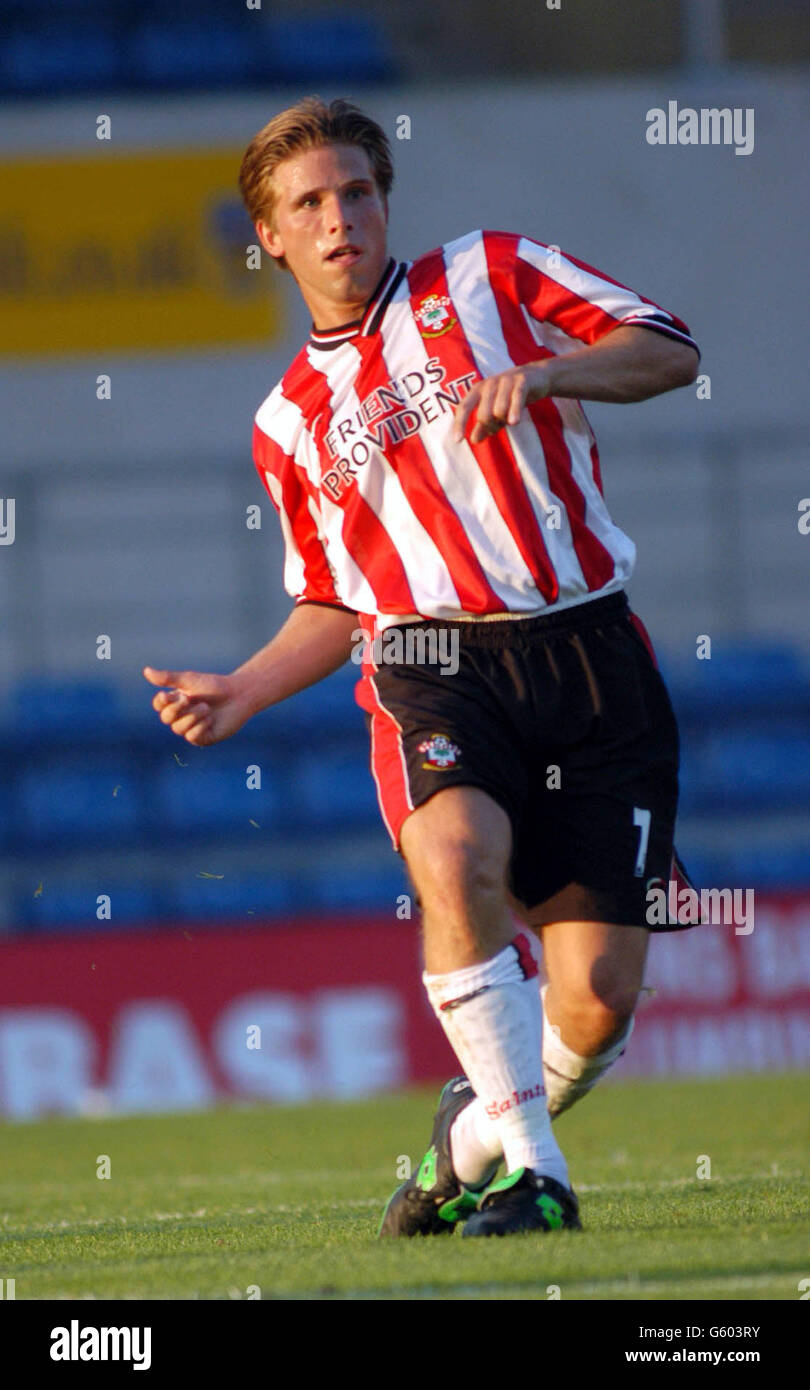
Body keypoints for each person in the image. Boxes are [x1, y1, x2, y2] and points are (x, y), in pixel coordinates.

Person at [143, 97, 701, 1238]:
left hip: (591, 652)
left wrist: (551, 378)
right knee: (453, 856)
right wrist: (246, 684)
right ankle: (535, 1182)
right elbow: (336, 597)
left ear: (384, 200)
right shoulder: (286, 423)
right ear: (272, 238)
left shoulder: (492, 276)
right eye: (310, 203)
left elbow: (671, 350)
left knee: (594, 1004)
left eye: (357, 190)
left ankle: (471, 1136)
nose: (340, 216)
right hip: (432, 665)